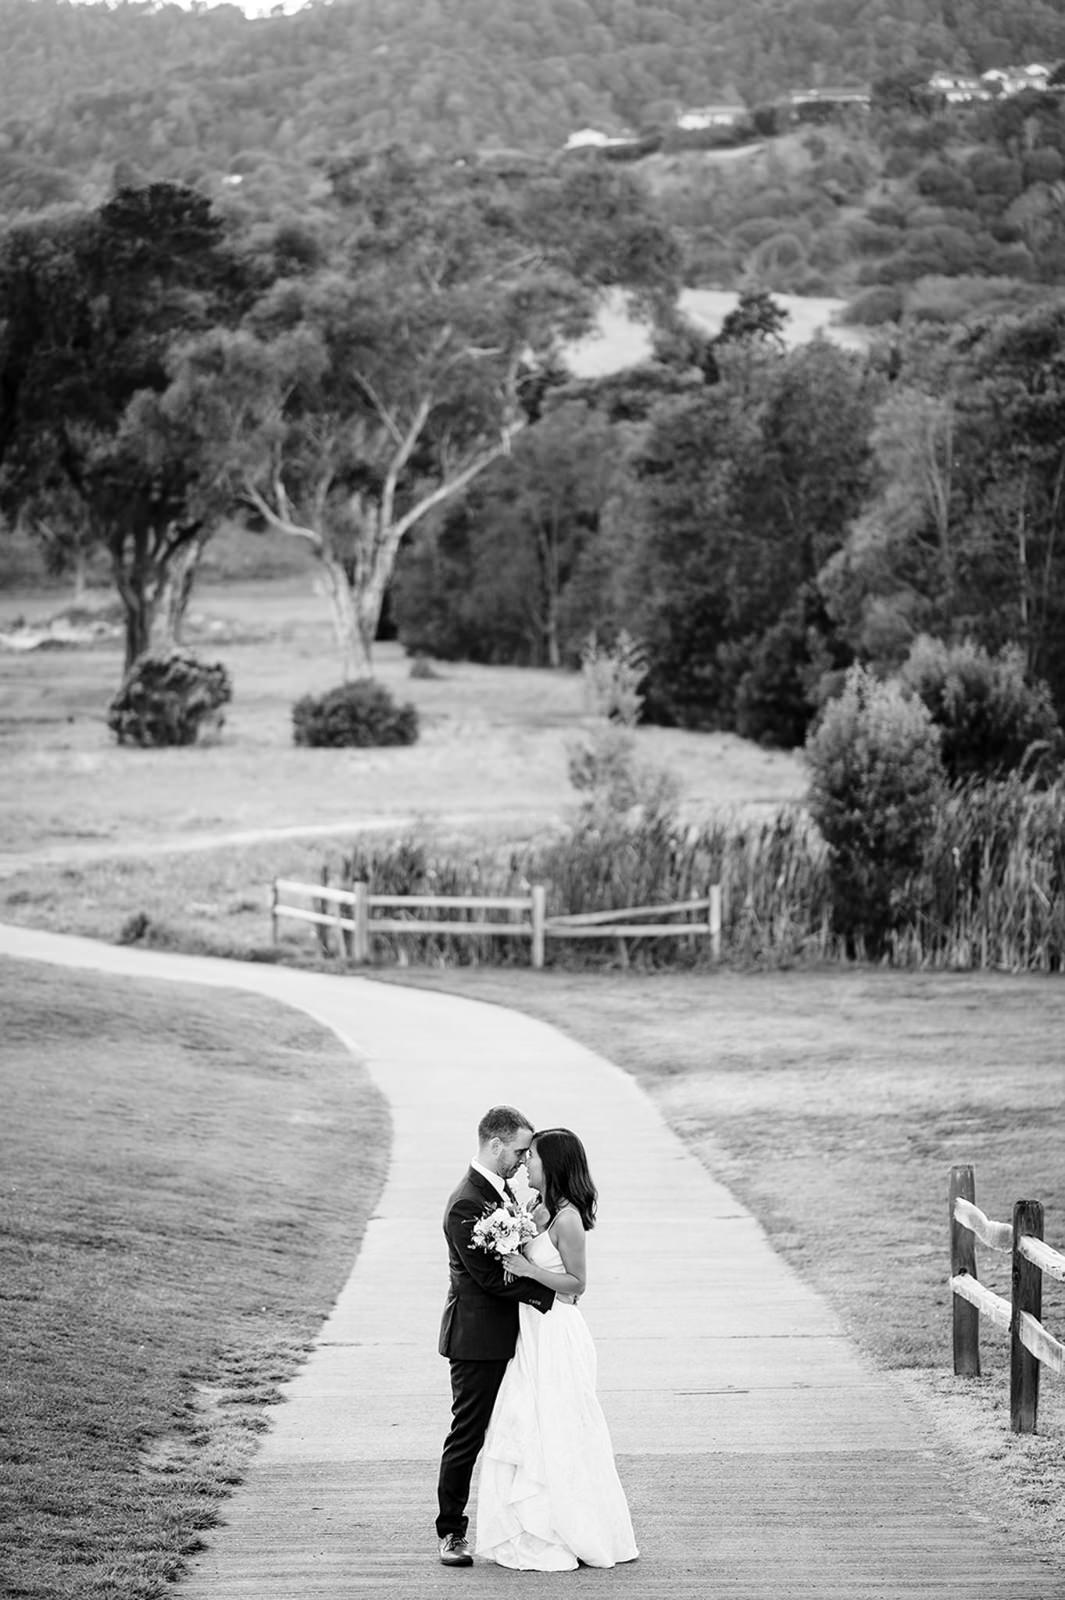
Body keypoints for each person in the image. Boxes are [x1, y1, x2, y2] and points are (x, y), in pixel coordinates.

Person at [475, 1127, 639, 1571]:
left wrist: (527, 1267)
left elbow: (576, 1286)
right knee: (523, 1417)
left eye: (532, 1157)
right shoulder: (533, 1208)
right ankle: (531, 1526)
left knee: (560, 1425)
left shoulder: (567, 1218)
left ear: (553, 1163)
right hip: (528, 1332)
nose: (525, 1162)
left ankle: (574, 1527)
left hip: (557, 1334)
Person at [436, 1106, 556, 1568]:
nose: (524, 1161)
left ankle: (522, 1522)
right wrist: (551, 1295)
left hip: (513, 1334)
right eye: (520, 1150)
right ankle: (450, 1532)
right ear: (495, 1144)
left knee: (518, 1430)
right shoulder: (468, 1201)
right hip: (477, 1339)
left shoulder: (501, 1192)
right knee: (468, 1435)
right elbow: (488, 1277)